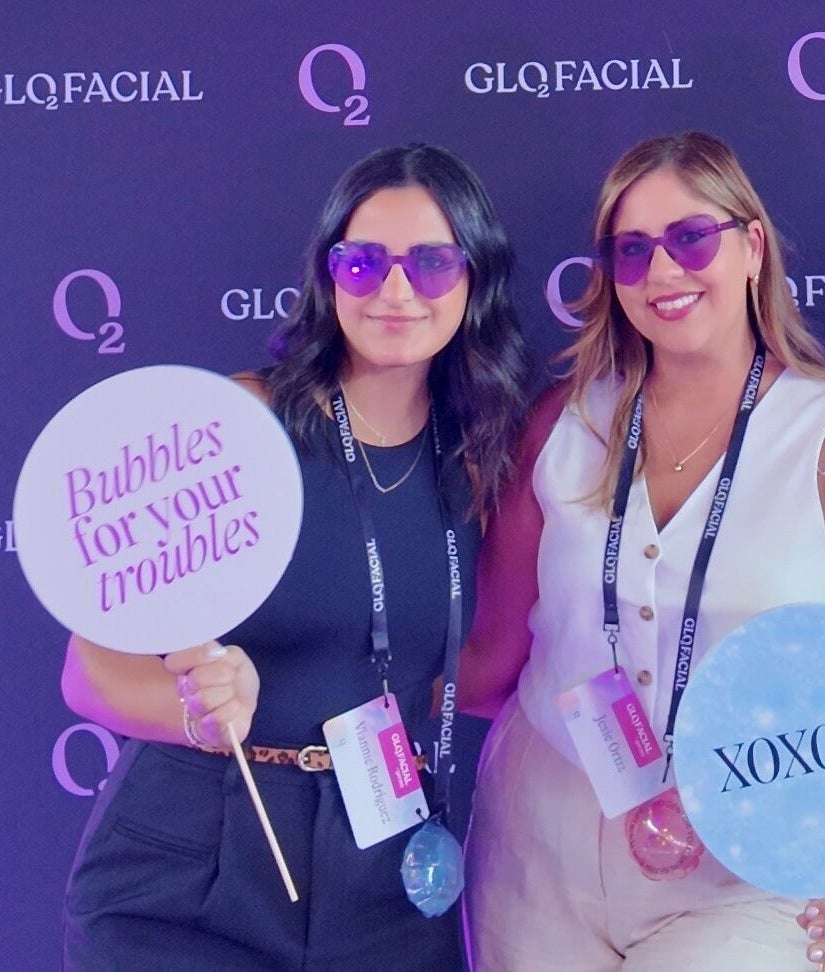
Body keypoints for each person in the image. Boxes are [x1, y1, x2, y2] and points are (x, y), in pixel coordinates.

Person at [60, 143, 530, 970]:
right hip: (194, 855)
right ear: (327, 275)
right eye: (362, 263)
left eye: (430, 263)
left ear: (475, 279)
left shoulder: (482, 455)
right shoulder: (242, 423)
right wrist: (199, 716)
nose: (395, 290)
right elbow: (86, 671)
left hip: (387, 867)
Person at [460, 131, 825, 971]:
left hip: (748, 855)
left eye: (690, 239)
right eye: (631, 251)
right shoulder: (560, 425)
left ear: (752, 247)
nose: (662, 273)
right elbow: (487, 659)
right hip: (539, 836)